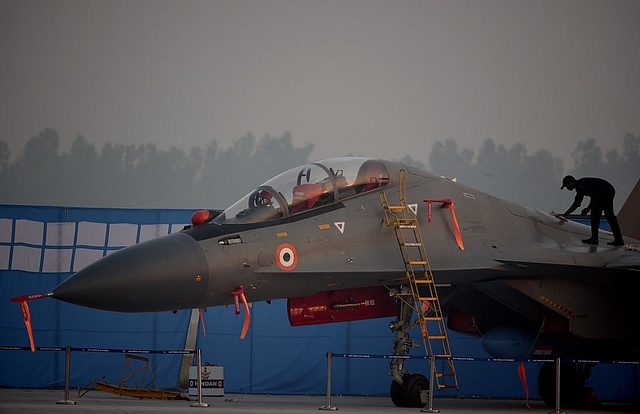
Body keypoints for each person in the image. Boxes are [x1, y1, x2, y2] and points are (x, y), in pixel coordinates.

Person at [560, 175, 625, 246]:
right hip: (608, 190)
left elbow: (576, 204)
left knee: (595, 214)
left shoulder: (581, 186)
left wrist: (564, 215)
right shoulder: (582, 185)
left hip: (605, 191)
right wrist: (588, 208)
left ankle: (594, 238)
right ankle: (619, 240)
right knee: (610, 216)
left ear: (571, 183)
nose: (567, 188)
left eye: (567, 186)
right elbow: (594, 196)